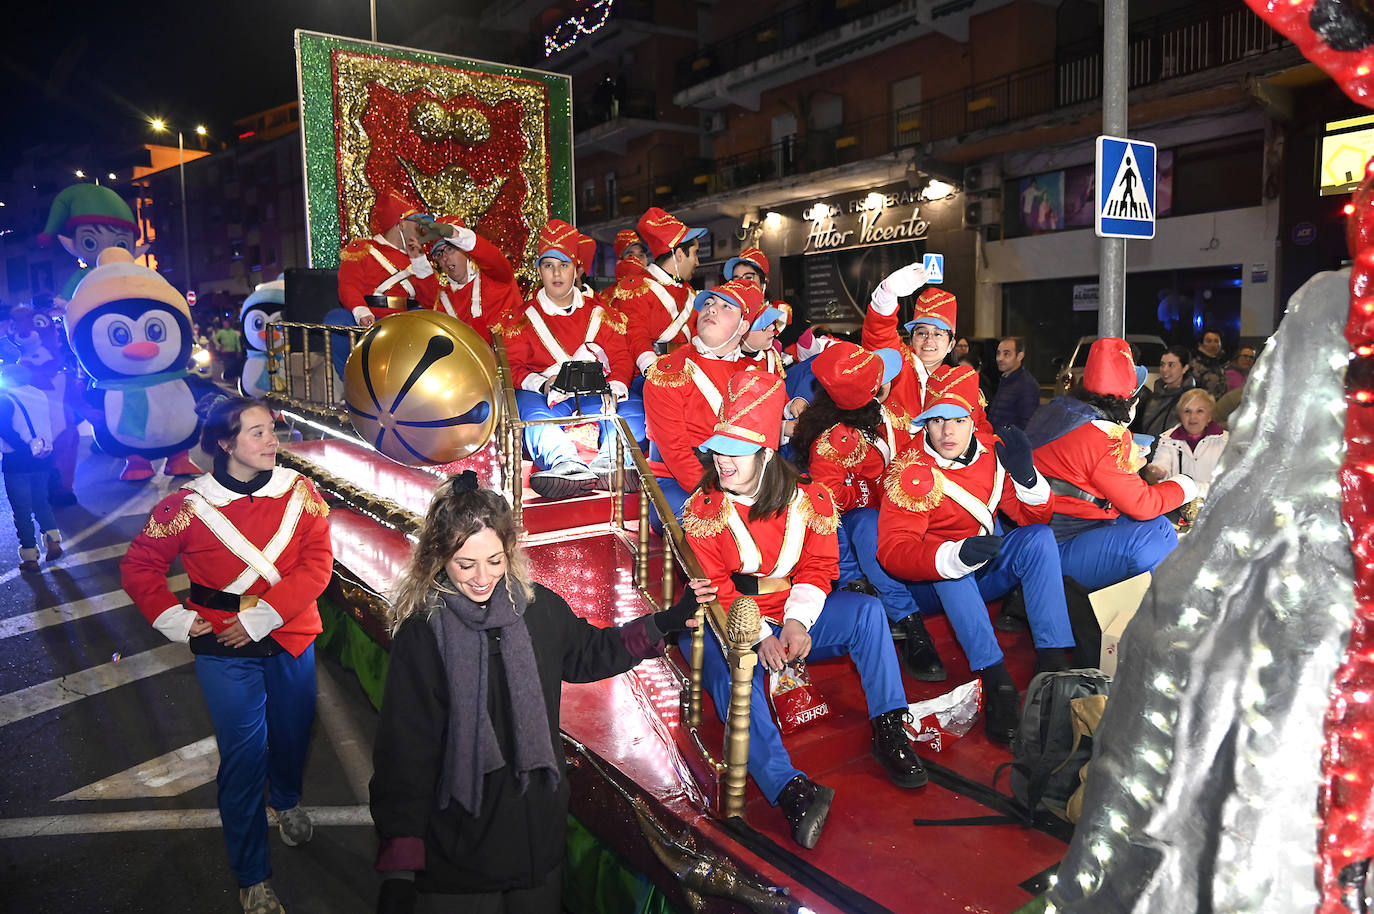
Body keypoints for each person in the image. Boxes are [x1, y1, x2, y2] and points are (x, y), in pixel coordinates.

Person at [369, 471, 698, 914]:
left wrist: (664, 623)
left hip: (534, 837)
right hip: (457, 846)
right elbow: (405, 751)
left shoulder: (537, 608)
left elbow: (590, 653)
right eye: (465, 564)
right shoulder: (423, 632)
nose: (482, 577)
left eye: (495, 560)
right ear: (438, 558)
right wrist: (400, 867)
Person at [683, 368, 927, 850]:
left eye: (735, 450)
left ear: (766, 452)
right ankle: (789, 787)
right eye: (718, 448)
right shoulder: (704, 510)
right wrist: (759, 637)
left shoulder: (811, 499)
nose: (721, 460)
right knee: (728, 667)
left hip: (790, 608)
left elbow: (818, 566)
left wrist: (796, 622)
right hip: (730, 615)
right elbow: (715, 588)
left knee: (866, 614)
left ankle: (889, 727)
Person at [120, 397, 334, 914]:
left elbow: (318, 564)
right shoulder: (188, 505)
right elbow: (139, 566)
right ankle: (251, 875)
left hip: (290, 634)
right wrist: (175, 618)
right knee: (242, 759)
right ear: (225, 443)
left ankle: (284, 800)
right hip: (221, 646)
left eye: (271, 431)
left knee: (291, 734)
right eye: (256, 433)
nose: (271, 441)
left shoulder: (300, 493)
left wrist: (261, 617)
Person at [877, 367, 1075, 742]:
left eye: (957, 420)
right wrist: (952, 556)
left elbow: (1033, 516)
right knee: (951, 572)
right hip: (931, 583)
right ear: (925, 423)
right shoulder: (909, 470)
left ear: (973, 419)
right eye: (936, 420)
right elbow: (892, 552)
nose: (947, 432)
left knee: (1039, 538)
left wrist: (1027, 477)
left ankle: (1052, 664)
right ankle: (995, 674)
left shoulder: (992, 452)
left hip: (984, 567)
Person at [789, 341, 949, 681]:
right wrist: (864, 493)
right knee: (866, 524)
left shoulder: (884, 415)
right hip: (853, 525)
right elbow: (825, 501)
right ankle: (909, 623)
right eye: (882, 377)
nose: (891, 379)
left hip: (895, 513)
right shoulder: (835, 440)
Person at [1026, 338, 1198, 591]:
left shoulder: (1056, 411)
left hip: (1038, 534)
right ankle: (1155, 609)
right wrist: (1186, 485)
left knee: (1159, 527)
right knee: (1150, 538)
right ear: (1128, 403)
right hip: (1056, 548)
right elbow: (1142, 504)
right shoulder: (1104, 437)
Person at [504, 219, 641, 499]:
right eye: (548, 265)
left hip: (596, 395)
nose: (556, 273)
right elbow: (513, 368)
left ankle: (612, 462)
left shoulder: (601, 313)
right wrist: (543, 384)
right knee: (531, 413)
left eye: (563, 265)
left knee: (634, 407)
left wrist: (615, 387)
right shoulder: (520, 319)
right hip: (547, 399)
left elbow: (621, 357)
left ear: (576, 269)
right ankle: (565, 465)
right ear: (539, 270)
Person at [642, 278, 778, 524]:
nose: (712, 308)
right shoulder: (668, 370)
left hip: (741, 478)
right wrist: (724, 498)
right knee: (725, 529)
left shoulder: (752, 372)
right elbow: (677, 454)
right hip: (680, 483)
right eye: (709, 303)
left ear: (742, 326)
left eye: (726, 307)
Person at [325, 192, 443, 386]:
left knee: (426, 321)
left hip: (404, 322)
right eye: (417, 225)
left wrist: (421, 263)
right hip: (368, 319)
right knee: (335, 320)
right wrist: (361, 311)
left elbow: (432, 302)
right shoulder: (363, 248)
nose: (422, 231)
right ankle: (350, 385)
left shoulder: (418, 260)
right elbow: (349, 285)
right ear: (401, 224)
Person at [612, 207, 706, 382]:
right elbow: (635, 335)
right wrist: (654, 371)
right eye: (695, 254)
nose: (698, 262)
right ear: (679, 255)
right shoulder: (636, 288)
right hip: (645, 377)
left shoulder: (689, 292)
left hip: (686, 372)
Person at [861, 263, 955, 417]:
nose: (928, 340)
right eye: (921, 333)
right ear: (911, 339)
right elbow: (878, 335)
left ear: (951, 344)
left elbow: (982, 430)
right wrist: (887, 293)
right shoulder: (898, 365)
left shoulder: (961, 383)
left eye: (938, 334)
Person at [0, 363, 61, 572]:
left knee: (22, 510)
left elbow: (6, 430)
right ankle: (53, 542)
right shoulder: (38, 394)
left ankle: (30, 557)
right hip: (42, 456)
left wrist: (23, 448)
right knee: (41, 502)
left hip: (17, 461)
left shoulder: (4, 398)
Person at [427, 216, 522, 343]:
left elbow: (491, 255)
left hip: (514, 360)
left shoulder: (496, 275)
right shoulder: (441, 301)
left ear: (465, 249)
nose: (445, 257)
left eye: (450, 249)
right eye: (439, 254)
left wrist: (456, 235)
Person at [1145, 388, 1229, 498]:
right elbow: (1161, 466)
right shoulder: (1168, 439)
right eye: (1187, 411)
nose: (1192, 417)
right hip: (1178, 505)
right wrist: (1157, 472)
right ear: (1180, 415)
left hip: (1213, 505)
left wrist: (1194, 489)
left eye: (1200, 411)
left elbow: (1228, 482)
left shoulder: (1227, 441)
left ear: (1209, 416)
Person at [1135, 345, 1196, 439]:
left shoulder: (1192, 399)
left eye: (1171, 365)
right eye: (1162, 364)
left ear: (1185, 368)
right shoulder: (1152, 396)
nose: (1164, 369)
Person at [986, 337, 1039, 430]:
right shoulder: (1005, 379)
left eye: (1006, 354)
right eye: (998, 353)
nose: (1000, 358)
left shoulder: (1027, 385)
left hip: (1008, 441)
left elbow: (1027, 424)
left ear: (1020, 356)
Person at [1190, 328, 1228, 398]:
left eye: (1216, 341)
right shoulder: (1195, 364)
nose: (1213, 345)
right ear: (1201, 344)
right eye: (1209, 341)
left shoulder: (1223, 363)